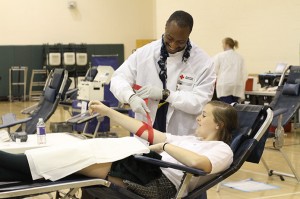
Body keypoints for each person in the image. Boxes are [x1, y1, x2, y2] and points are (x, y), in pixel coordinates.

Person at [0, 101, 236, 199]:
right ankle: (12, 166)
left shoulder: (222, 149)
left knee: (83, 156)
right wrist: (110, 112)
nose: (198, 119)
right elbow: (148, 133)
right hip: (147, 165)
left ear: (219, 124)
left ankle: (14, 163)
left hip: (158, 179)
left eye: (204, 115)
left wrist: (165, 147)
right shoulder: (188, 138)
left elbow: (201, 165)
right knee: (85, 150)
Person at [110, 10, 216, 136]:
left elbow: (200, 102)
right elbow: (118, 79)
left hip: (181, 136)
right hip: (146, 131)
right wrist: (130, 97)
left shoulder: (203, 62)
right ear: (165, 27)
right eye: (170, 38)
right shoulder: (144, 53)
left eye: (180, 42)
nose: (173, 45)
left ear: (188, 35)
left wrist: (166, 95)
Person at [213, 37, 248, 104]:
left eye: (222, 44)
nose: (222, 46)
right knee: (235, 106)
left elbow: (214, 70)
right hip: (237, 86)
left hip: (224, 85)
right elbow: (244, 73)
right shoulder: (240, 57)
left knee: (227, 108)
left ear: (226, 44)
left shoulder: (220, 56)